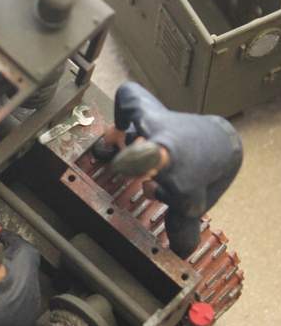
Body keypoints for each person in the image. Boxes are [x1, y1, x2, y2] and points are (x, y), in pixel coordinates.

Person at [93, 82, 243, 258]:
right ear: (144, 142)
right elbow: (125, 90)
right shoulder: (150, 120)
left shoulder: (185, 184)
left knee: (180, 220)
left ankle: (181, 252)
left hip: (229, 154)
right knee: (125, 136)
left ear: (150, 174)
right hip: (209, 128)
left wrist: (156, 192)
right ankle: (124, 139)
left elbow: (194, 208)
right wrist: (119, 129)